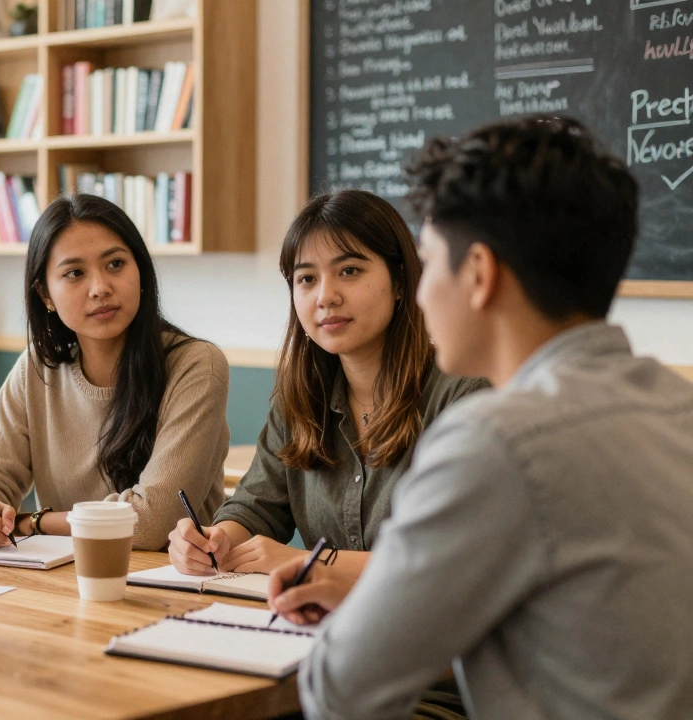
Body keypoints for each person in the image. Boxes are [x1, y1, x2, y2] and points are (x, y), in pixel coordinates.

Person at [266, 116, 693, 719]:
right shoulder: (675, 408)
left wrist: (378, 613)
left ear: (479, 275)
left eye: (428, 263)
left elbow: (342, 691)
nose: (418, 294)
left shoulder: (496, 440)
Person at [167, 189, 485, 583]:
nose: (325, 296)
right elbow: (255, 509)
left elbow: (448, 557)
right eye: (306, 278)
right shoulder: (301, 396)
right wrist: (214, 542)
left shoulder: (462, 393)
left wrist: (306, 564)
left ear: (400, 282)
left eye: (349, 271)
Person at [0, 193, 230, 551]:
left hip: (171, 583)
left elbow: (151, 524)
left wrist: (30, 522)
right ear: (45, 294)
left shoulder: (196, 365)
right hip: (64, 579)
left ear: (139, 269)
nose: (100, 288)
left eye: (115, 264)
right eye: (75, 273)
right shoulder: (36, 368)